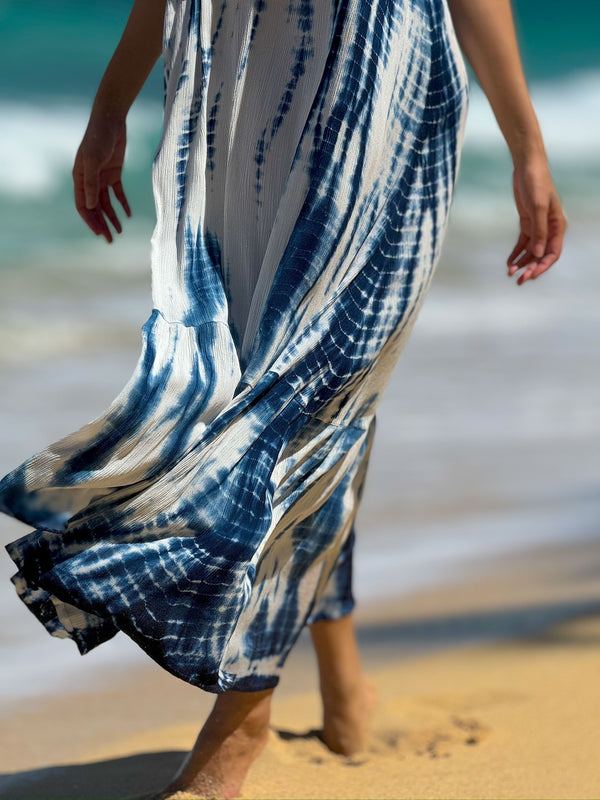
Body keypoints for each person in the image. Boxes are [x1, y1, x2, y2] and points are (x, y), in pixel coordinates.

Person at [0, 0, 566, 798]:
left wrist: (527, 148)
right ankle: (344, 686)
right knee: (280, 384)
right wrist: (109, 106)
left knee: (309, 393)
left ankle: (243, 720)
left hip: (385, 90)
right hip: (243, 88)